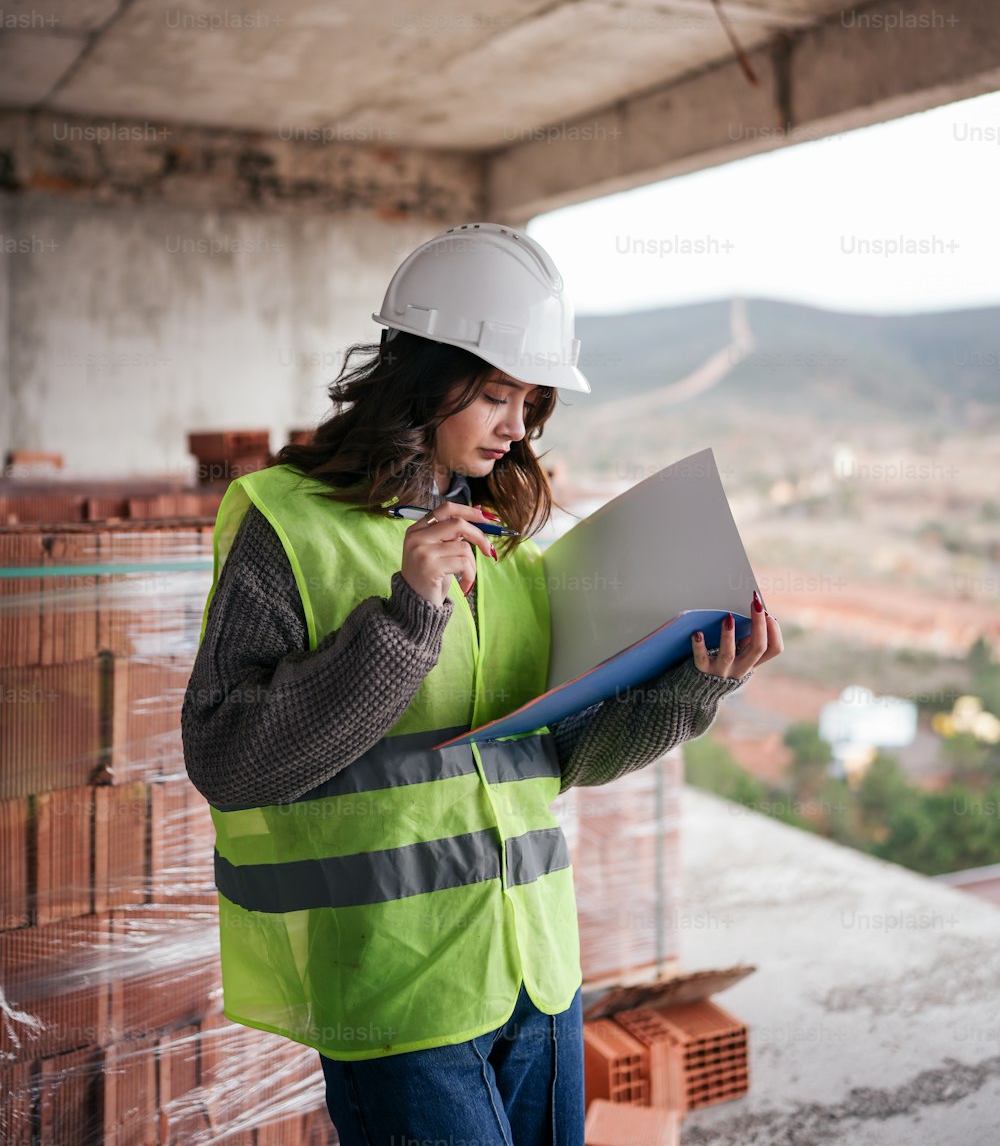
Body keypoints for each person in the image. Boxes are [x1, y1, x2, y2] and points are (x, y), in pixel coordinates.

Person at [181, 221, 782, 1146]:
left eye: (531, 400)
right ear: (420, 376)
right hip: (394, 988)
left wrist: (687, 692)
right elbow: (228, 757)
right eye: (496, 395)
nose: (516, 426)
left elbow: (555, 756)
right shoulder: (284, 521)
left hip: (535, 969)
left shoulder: (502, 540)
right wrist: (407, 615)